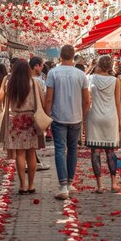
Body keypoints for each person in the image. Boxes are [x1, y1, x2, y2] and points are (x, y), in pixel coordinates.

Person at [44, 44, 90, 200]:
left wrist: (46, 116)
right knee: (73, 149)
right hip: (76, 117)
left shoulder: (53, 73)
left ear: (60, 57)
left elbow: (49, 98)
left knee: (59, 149)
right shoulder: (81, 74)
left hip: (58, 116)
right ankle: (70, 182)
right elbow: (86, 100)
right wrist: (83, 116)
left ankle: (63, 186)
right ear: (73, 56)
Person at [0, 59, 45, 194]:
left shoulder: (10, 83)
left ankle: (22, 185)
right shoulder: (34, 83)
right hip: (30, 119)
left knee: (19, 153)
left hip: (15, 120)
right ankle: (31, 185)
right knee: (31, 152)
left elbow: (3, 100)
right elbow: (42, 101)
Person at [85, 56, 121, 193]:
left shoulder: (91, 78)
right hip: (111, 117)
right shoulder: (115, 81)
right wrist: (120, 120)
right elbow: (118, 102)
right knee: (110, 151)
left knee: (95, 152)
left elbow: (87, 99)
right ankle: (114, 183)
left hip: (95, 116)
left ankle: (100, 185)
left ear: (98, 65)